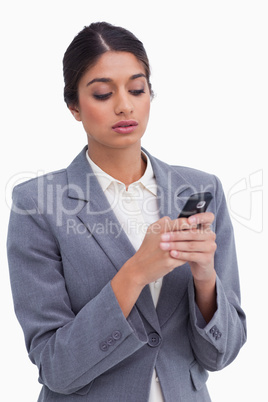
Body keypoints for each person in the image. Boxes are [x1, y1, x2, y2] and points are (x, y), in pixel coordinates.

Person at [7, 22, 246, 402]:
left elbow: (222, 354)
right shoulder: (37, 204)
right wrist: (135, 273)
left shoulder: (202, 190)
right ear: (73, 107)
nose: (124, 105)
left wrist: (205, 279)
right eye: (103, 93)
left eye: (137, 89)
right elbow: (56, 368)